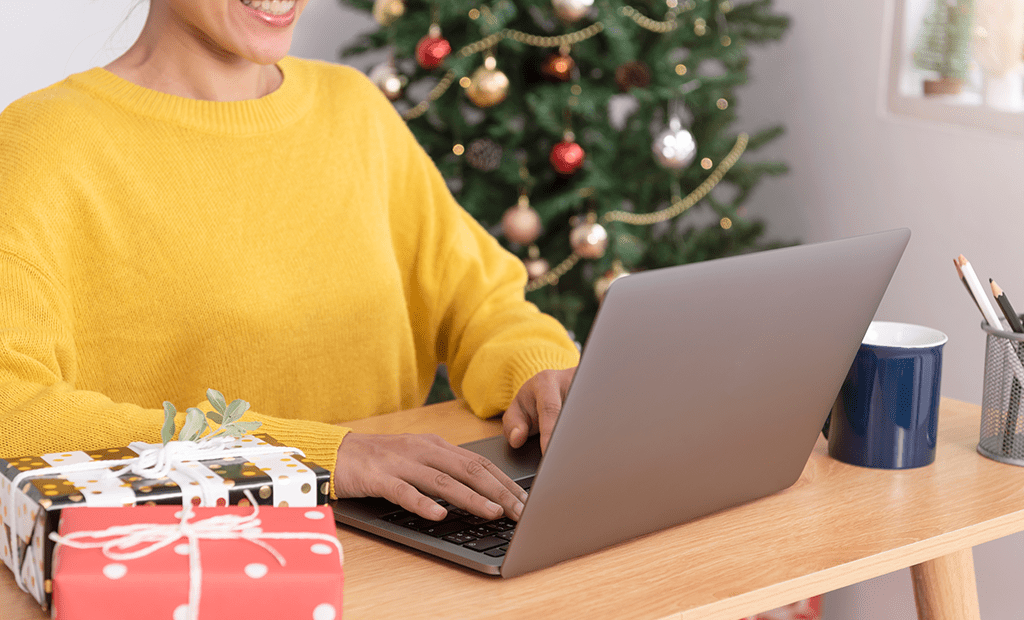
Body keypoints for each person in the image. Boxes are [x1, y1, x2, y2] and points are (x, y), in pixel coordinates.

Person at [0, 0, 579, 524]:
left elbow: (479, 301)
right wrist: (319, 458)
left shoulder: (353, 108)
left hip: (411, 542)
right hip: (201, 557)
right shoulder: (41, 145)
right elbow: (12, 410)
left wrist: (536, 373)